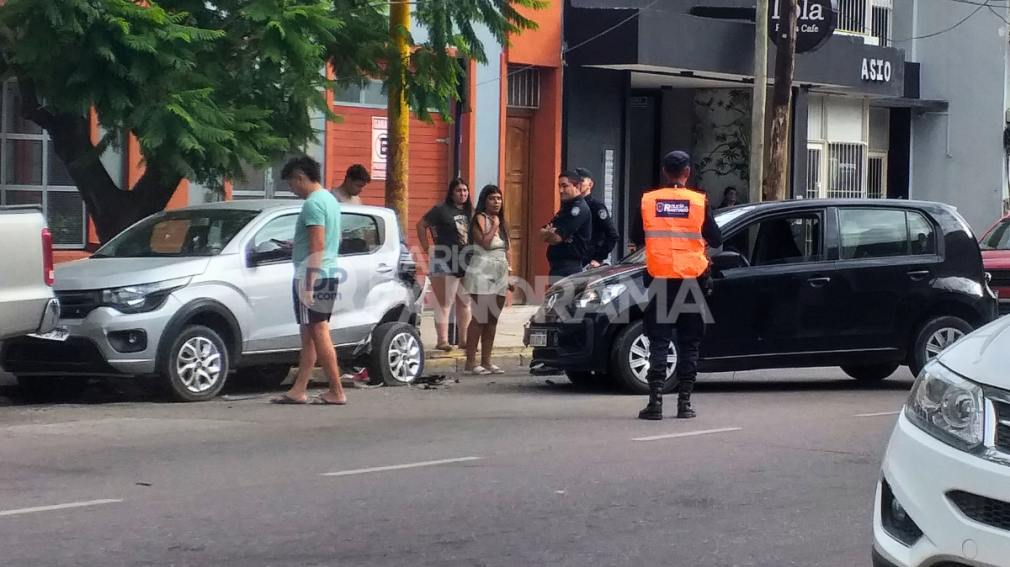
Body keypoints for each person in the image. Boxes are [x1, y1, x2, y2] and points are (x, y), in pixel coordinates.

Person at [638, 150, 722, 421]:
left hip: (660, 279)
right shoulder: (698, 202)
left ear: (664, 171)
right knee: (689, 343)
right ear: (687, 173)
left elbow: (634, 235)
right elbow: (716, 238)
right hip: (692, 281)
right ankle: (684, 404)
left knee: (660, 342)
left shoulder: (649, 201)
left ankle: (655, 403)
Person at [272, 156, 347, 406]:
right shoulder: (330, 200)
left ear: (300, 177)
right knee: (309, 333)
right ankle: (299, 388)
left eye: (292, 184)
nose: (292, 190)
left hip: (312, 275)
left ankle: (336, 390)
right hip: (326, 273)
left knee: (318, 331)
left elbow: (317, 242)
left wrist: (309, 281)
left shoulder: (313, 205)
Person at [417, 178, 473, 351]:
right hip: (444, 259)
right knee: (444, 302)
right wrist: (427, 248)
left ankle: (463, 340)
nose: (462, 193)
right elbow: (421, 225)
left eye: (465, 190)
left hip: (467, 260)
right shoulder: (440, 210)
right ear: (451, 193)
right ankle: (442, 340)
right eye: (458, 190)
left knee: (465, 302)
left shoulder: (471, 211)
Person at [462, 185, 512, 375]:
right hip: (482, 269)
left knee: (493, 319)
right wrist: (495, 225)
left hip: (500, 269)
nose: (496, 202)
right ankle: (470, 362)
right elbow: (485, 242)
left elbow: (508, 249)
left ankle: (487, 360)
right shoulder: (480, 218)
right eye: (492, 198)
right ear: (485, 200)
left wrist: (510, 274)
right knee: (480, 316)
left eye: (499, 198)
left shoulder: (504, 223)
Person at [541, 171, 591, 281]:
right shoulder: (566, 208)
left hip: (569, 268)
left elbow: (556, 238)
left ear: (577, 186)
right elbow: (541, 233)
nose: (560, 190)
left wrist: (550, 234)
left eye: (565, 186)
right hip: (558, 267)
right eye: (559, 186)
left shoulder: (578, 209)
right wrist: (549, 234)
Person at [575, 167, 619, 268]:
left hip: (588, 261)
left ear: (590, 184)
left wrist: (598, 258)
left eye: (581, 180)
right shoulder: (571, 205)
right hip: (574, 259)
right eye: (575, 181)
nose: (577, 184)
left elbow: (612, 235)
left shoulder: (596, 206)